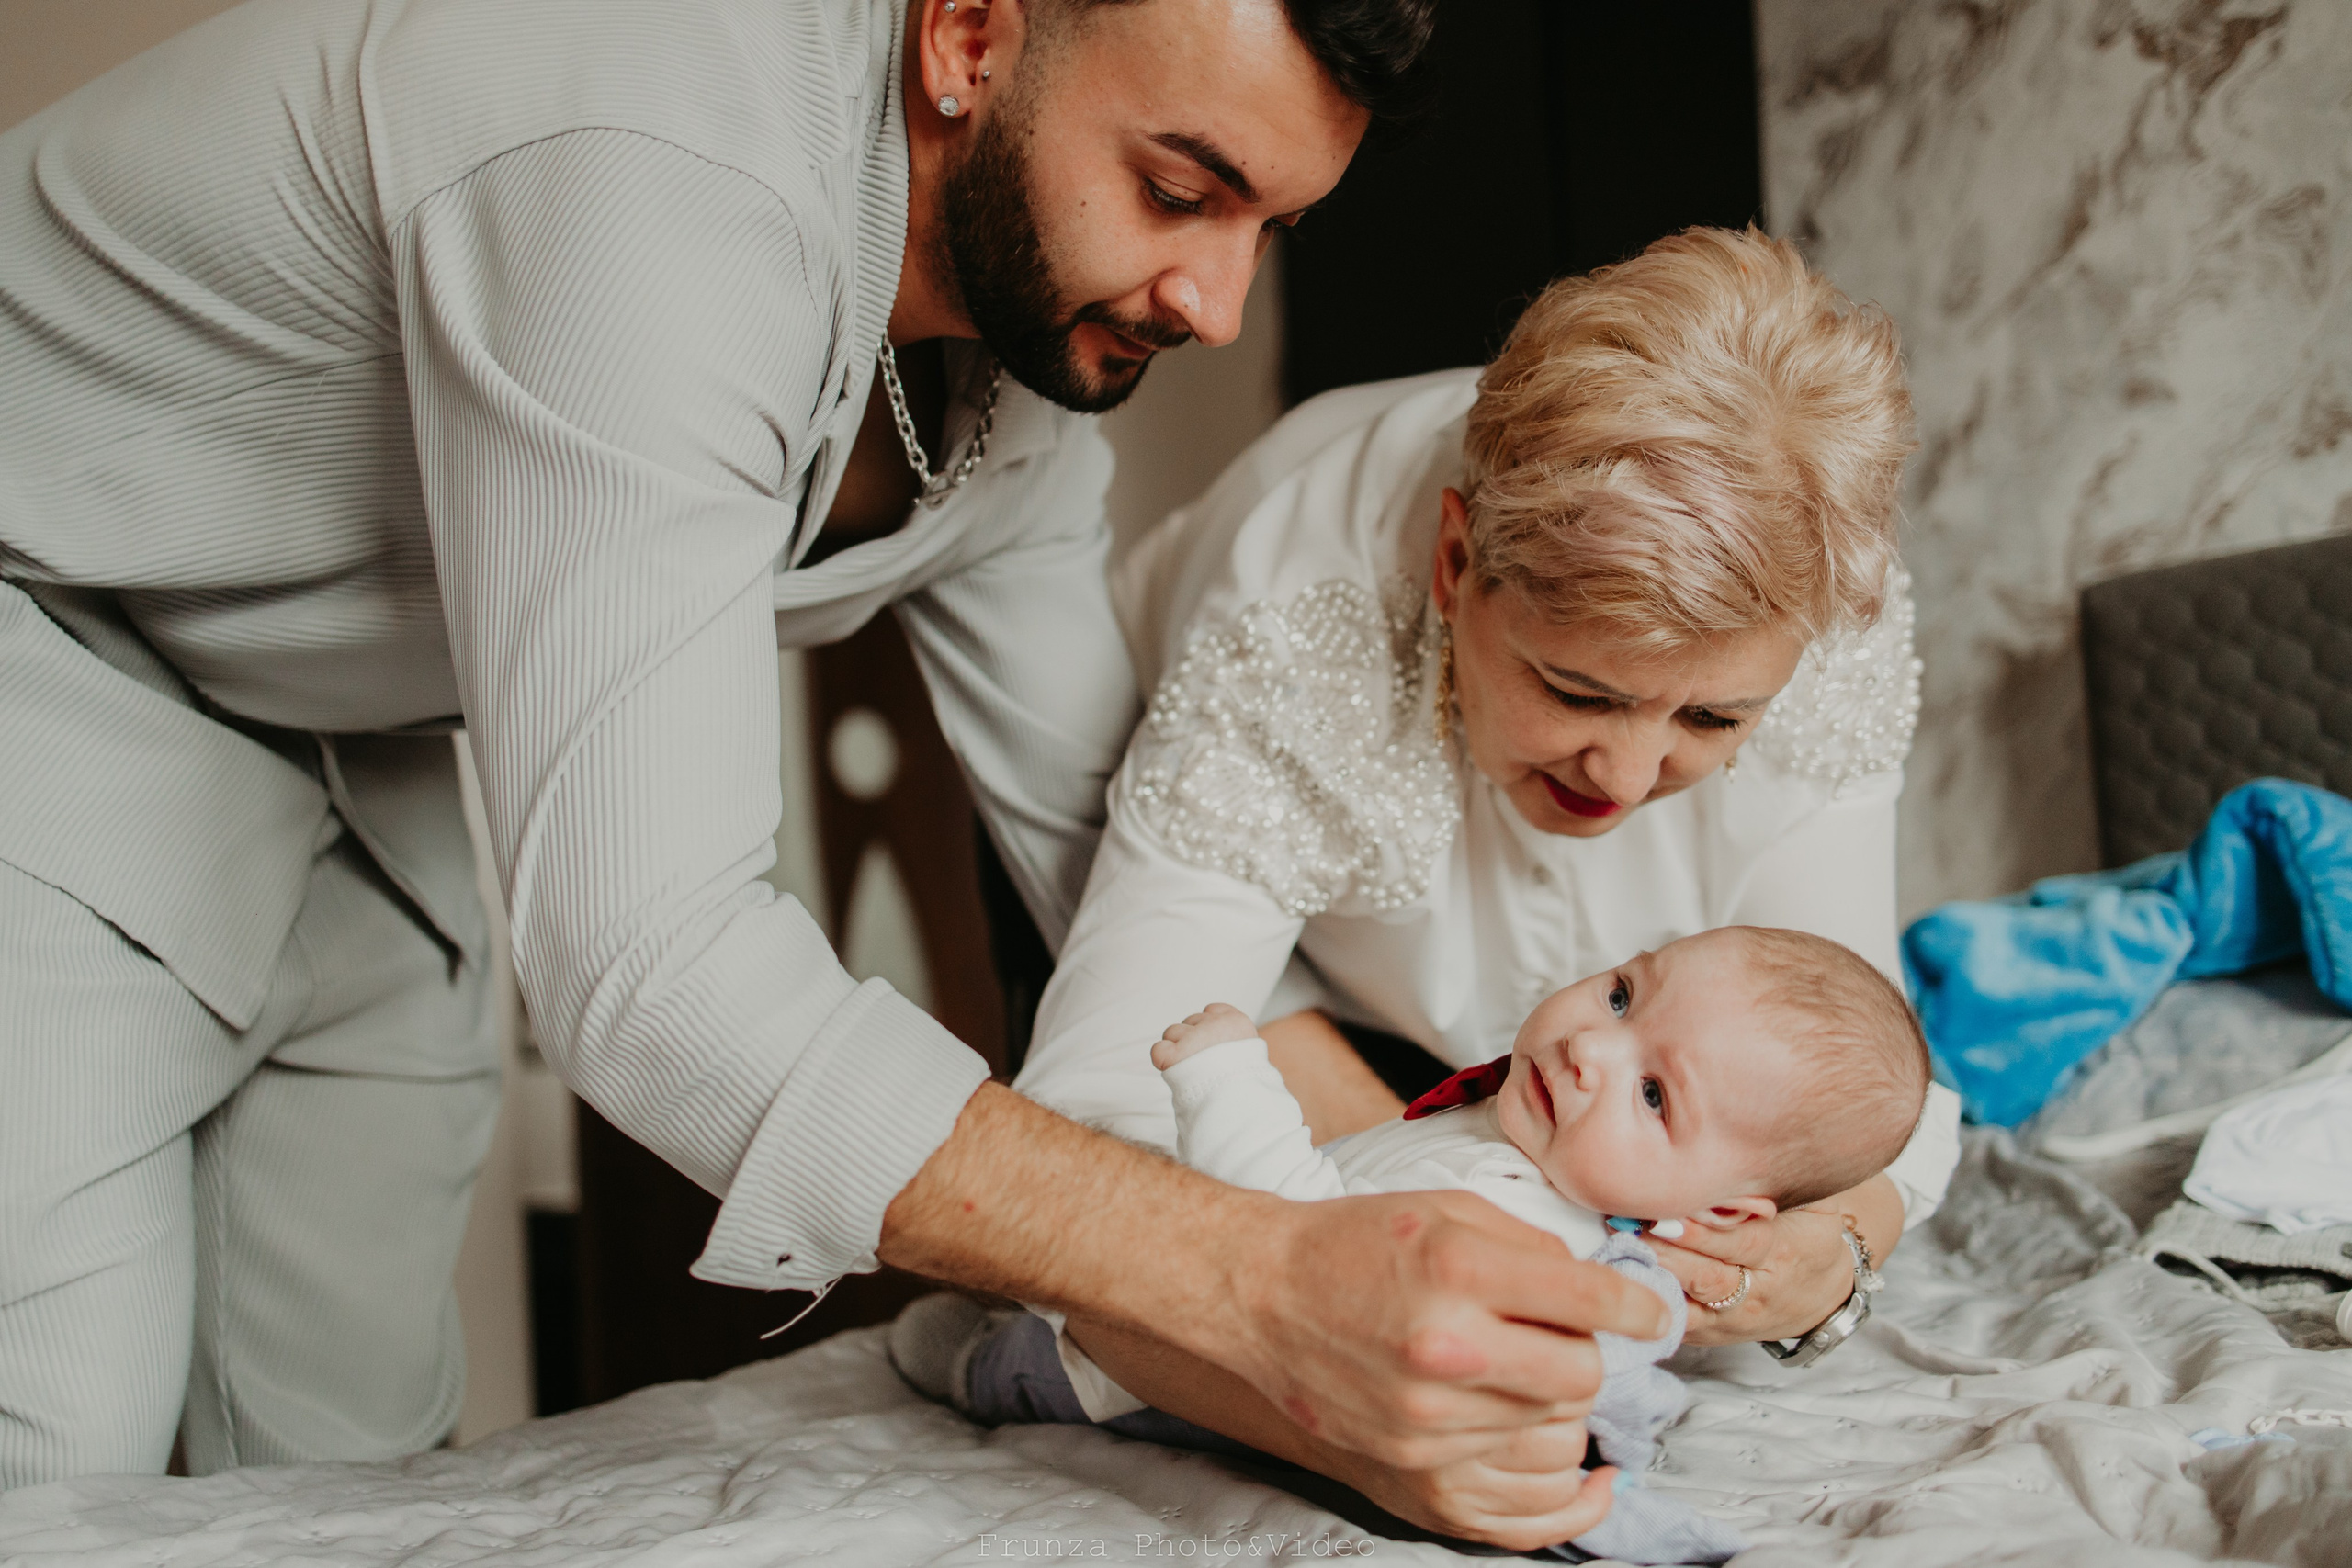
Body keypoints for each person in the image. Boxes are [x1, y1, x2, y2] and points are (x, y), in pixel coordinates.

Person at [0, 0, 1671, 1535]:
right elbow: (656, 963)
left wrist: (1442, 1220)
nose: (1218, 308)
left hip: (360, 733)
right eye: (1181, 191)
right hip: (44, 622)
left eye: (1269, 229)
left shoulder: (1013, 378)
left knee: (343, 1475)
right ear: (970, 33)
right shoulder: (649, 168)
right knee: (50, 1447)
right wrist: (1251, 1275)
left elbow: (1142, 863)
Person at [1011, 229, 1967, 1537]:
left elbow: (1843, 1044)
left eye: (1712, 719)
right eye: (1577, 689)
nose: (1627, 777)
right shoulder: (1300, 625)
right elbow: (1090, 1123)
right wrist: (1351, 1410)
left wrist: (1835, 1247)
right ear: (1457, 564)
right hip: (1226, 933)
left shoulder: (1823, 601)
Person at [905, 926, 1932, 1563]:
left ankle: (971, 1364)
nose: (1587, 1046)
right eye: (1622, 994)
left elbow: (1294, 1236)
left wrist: (1226, 1077)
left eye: (1655, 1094)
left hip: (1154, 1367)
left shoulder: (1513, 1228)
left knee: (1034, 1357)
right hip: (1210, 1278)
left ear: (1719, 1218)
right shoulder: (1517, 1136)